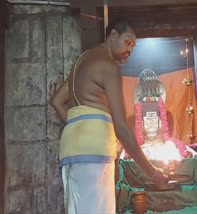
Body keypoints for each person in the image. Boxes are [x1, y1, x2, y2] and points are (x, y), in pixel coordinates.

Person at [51, 20, 169, 214]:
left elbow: (57, 101)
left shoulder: (83, 62)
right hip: (93, 155)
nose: (130, 50)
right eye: (128, 42)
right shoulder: (108, 67)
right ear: (113, 35)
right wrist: (152, 172)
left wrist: (82, 126)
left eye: (133, 46)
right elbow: (122, 129)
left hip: (70, 149)